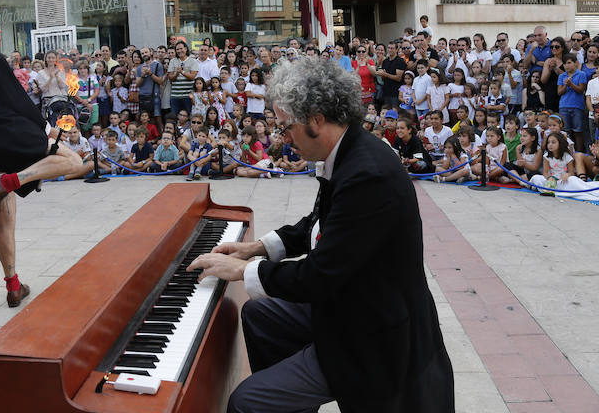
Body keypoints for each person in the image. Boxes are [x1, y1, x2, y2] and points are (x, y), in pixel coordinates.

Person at [188, 57, 453, 412]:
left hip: (372, 334)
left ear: (316, 119)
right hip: (350, 304)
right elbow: (318, 221)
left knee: (247, 402)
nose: (282, 138)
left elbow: (320, 275)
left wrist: (242, 271)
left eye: (286, 127)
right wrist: (258, 248)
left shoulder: (367, 174)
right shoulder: (346, 152)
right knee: (259, 315)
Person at [0, 10, 84, 307]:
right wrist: (46, 129)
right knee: (74, 162)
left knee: (6, 218)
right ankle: (9, 180)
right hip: (8, 137)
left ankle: (13, 286)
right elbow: (18, 100)